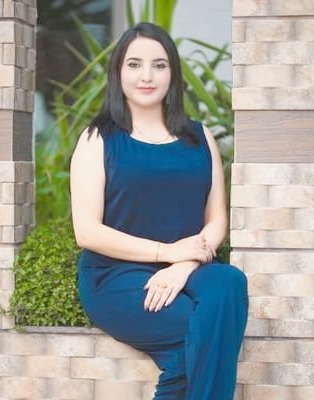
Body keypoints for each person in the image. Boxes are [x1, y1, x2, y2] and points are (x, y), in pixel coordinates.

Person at [69, 22, 248, 400]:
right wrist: (166, 252)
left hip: (190, 267)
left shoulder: (200, 137)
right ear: (118, 72)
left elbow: (217, 219)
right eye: (134, 64)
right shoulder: (97, 139)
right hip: (115, 275)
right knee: (199, 332)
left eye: (159, 65)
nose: (146, 76)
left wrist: (185, 263)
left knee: (229, 282)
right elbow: (87, 231)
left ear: (173, 73)